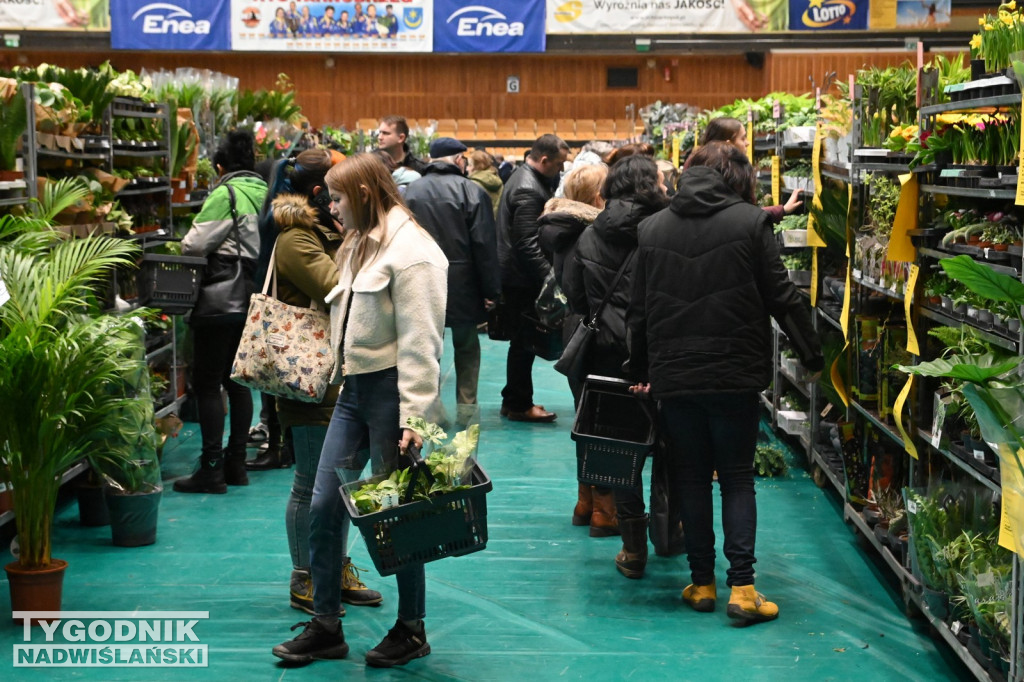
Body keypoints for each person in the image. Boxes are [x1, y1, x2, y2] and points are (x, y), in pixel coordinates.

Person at [626, 142, 822, 624]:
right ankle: (743, 589)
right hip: (734, 372)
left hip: (676, 375)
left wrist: (640, 370)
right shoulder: (750, 222)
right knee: (736, 478)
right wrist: (814, 356)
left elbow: (638, 311)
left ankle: (701, 583)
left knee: (690, 477)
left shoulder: (650, 228)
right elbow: (782, 296)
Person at [272, 154, 448, 667]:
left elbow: (423, 342)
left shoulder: (414, 252)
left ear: (365, 195)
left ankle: (411, 628)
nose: (330, 206)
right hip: (353, 392)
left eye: (339, 197)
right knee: (326, 504)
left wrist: (415, 418)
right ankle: (326, 625)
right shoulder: (357, 244)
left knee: (396, 516)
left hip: (392, 395)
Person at [259, 150, 384, 616]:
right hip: (308, 381)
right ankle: (305, 576)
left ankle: (334, 567)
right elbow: (337, 288)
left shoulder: (331, 234)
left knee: (340, 483)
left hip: (339, 379)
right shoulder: (295, 240)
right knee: (310, 483)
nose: (340, 203)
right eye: (334, 193)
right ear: (318, 193)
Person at [563, 155, 670, 565]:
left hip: (608, 355)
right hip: (660, 352)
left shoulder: (590, 235)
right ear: (649, 186)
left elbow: (576, 297)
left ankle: (631, 544)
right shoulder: (663, 230)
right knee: (669, 445)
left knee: (621, 450)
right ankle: (668, 531)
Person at [176, 132, 268, 494]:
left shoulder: (224, 194)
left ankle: (211, 469)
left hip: (220, 301)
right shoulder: (267, 193)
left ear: (220, 167)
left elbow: (194, 245)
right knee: (239, 381)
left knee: (208, 382)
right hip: (255, 298)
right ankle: (237, 463)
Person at [404, 138, 501, 426]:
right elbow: (484, 245)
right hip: (463, 282)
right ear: (459, 159)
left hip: (419, 279)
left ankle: (431, 410)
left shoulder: (409, 191)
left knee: (426, 347)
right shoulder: (471, 191)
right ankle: (467, 410)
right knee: (467, 346)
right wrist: (492, 290)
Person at [496, 134, 570, 423]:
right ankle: (518, 404)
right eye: (559, 164)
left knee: (521, 343)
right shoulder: (529, 189)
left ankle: (513, 399)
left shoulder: (522, 178)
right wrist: (550, 280)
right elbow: (527, 243)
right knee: (524, 344)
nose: (561, 170)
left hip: (516, 276)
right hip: (521, 278)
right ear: (544, 160)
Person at [687, 116, 803, 221]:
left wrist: (782, 210)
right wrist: (780, 211)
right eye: (742, 138)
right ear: (729, 145)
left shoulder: (694, 165)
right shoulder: (733, 174)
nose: (747, 143)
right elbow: (740, 217)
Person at [467, 149, 503, 216]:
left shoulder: (473, 184)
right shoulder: (497, 179)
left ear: (476, 167)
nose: (467, 168)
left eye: (469, 165)